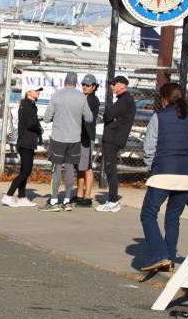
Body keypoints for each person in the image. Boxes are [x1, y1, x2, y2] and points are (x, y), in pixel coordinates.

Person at [139, 82, 188, 274]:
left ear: (164, 99)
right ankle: (170, 259)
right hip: (187, 176)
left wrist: (153, 167)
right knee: (173, 217)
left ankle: (161, 255)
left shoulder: (159, 117)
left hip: (163, 172)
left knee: (148, 214)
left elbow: (149, 148)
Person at [40, 71, 93, 212]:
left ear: (65, 82)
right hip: (75, 139)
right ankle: (67, 201)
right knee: (70, 168)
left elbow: (46, 118)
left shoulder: (57, 95)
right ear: (76, 83)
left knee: (56, 169)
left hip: (58, 138)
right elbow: (89, 118)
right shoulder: (81, 97)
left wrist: (57, 117)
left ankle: (54, 201)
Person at [97, 75, 137, 213]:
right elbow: (110, 116)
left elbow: (108, 116)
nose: (112, 87)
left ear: (122, 85)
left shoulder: (125, 100)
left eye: (114, 84)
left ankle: (113, 201)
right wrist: (113, 118)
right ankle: (112, 200)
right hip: (114, 138)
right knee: (109, 169)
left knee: (110, 169)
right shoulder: (123, 100)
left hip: (113, 139)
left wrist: (112, 118)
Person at [1, 86, 42, 207]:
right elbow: (30, 124)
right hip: (25, 143)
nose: (38, 92)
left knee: (25, 171)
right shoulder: (28, 105)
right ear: (28, 92)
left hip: (27, 142)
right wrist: (39, 128)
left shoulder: (29, 105)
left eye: (39, 91)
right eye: (36, 90)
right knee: (25, 172)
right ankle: (8, 195)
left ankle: (21, 197)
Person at [76, 74, 101, 207]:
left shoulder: (93, 100)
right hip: (78, 136)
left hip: (87, 136)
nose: (85, 87)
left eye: (88, 85)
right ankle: (79, 195)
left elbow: (85, 117)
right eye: (83, 85)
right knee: (79, 166)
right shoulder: (81, 97)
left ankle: (87, 197)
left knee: (87, 167)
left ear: (94, 87)